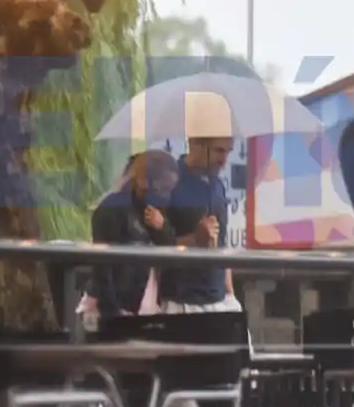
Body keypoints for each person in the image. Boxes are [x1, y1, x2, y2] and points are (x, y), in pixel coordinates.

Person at [77, 149, 179, 331]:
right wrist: (113, 314)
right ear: (144, 182)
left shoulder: (154, 211)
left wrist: (161, 228)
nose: (167, 197)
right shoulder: (113, 209)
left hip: (142, 305)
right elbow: (103, 267)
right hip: (114, 306)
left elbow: (171, 252)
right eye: (163, 189)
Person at [160, 136, 241, 313]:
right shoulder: (168, 183)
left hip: (220, 299)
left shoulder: (218, 185)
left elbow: (222, 242)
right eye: (219, 151)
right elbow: (156, 247)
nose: (224, 160)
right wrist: (195, 239)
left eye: (229, 151)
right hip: (181, 300)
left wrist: (230, 295)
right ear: (195, 144)